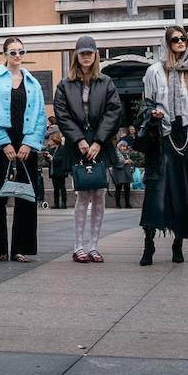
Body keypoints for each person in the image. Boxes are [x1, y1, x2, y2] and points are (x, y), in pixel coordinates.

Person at [137, 27, 188, 266]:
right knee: (156, 193)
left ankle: (178, 243)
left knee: (184, 192)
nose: (180, 42)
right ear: (167, 43)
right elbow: (146, 103)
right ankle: (149, 245)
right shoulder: (154, 71)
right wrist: (153, 114)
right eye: (174, 39)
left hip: (187, 135)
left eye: (183, 39)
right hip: (161, 135)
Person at [55, 35, 124, 264]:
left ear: (95, 55)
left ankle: (93, 246)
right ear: (76, 55)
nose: (86, 56)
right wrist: (79, 140)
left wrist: (98, 141)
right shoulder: (65, 84)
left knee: (100, 195)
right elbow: (62, 114)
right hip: (78, 146)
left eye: (89, 53)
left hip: (100, 145)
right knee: (82, 195)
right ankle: (78, 246)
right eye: (82, 53)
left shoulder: (106, 82)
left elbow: (114, 112)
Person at [0, 36, 47, 263]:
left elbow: (40, 116)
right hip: (3, 145)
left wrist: (29, 142)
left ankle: (21, 248)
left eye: (21, 51)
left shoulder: (33, 82)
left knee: (26, 197)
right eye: (13, 52)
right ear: (5, 54)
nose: (17, 56)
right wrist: (2, 141)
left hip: (27, 145)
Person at [46, 128, 70, 210]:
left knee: (62, 187)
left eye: (51, 140)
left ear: (55, 140)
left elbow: (61, 159)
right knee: (55, 188)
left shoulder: (62, 148)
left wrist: (52, 158)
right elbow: (51, 160)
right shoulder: (53, 149)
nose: (50, 141)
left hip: (60, 171)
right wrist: (47, 157)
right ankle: (56, 203)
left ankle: (64, 203)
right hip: (53, 171)